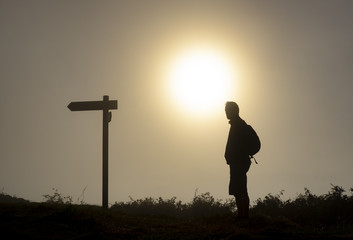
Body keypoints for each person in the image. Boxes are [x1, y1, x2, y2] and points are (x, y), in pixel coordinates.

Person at [224, 101, 251, 219]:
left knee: (240, 190)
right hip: (237, 162)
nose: (225, 112)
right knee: (238, 190)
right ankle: (242, 215)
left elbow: (237, 146)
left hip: (239, 162)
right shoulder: (237, 124)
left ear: (233, 110)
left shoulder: (238, 125)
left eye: (227, 110)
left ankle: (243, 216)